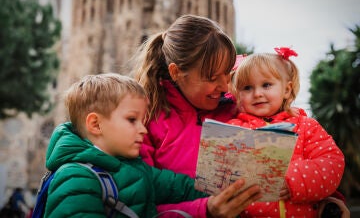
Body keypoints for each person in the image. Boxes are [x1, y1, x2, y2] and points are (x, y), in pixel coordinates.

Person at [43, 73, 261, 217]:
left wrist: (230, 190)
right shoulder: (75, 177)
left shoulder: (136, 168)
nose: (143, 129)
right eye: (132, 120)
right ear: (95, 124)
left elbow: (182, 187)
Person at [130, 14, 261, 217]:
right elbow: (138, 205)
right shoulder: (144, 120)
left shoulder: (238, 107)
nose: (225, 86)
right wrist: (205, 211)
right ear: (176, 72)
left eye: (227, 72)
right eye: (211, 78)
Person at [227, 47, 345, 217]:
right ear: (238, 94)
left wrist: (293, 180)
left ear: (287, 90)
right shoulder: (233, 129)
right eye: (247, 88)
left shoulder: (306, 126)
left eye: (266, 85)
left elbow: (332, 163)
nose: (257, 93)